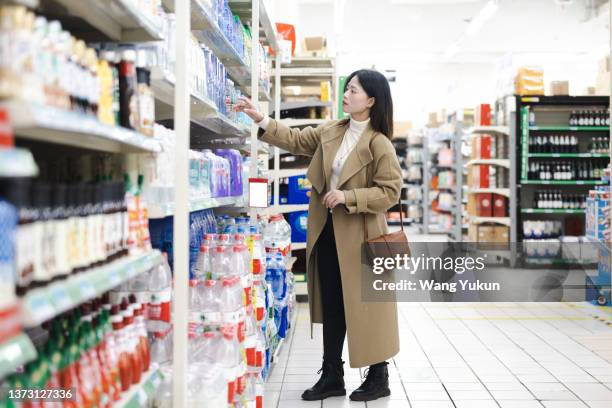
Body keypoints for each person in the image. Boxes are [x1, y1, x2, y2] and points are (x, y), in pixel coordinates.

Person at [236, 69, 402, 402]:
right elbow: (296, 140)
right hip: (328, 232)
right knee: (333, 303)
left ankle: (378, 374)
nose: (346, 94)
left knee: (368, 305)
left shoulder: (379, 142)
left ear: (370, 100)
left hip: (364, 236)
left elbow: (390, 191)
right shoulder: (333, 131)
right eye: (346, 88)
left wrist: (348, 197)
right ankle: (332, 375)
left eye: (353, 90)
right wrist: (262, 119)